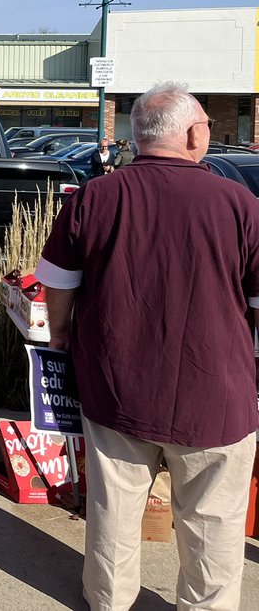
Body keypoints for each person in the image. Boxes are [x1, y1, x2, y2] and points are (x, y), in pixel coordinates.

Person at [36, 83, 258, 611]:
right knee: (213, 521)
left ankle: (109, 600)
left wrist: (62, 335)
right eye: (204, 124)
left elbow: (57, 282)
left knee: (113, 507)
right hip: (217, 392)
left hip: (116, 385)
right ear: (189, 134)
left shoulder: (94, 196)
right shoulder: (240, 204)